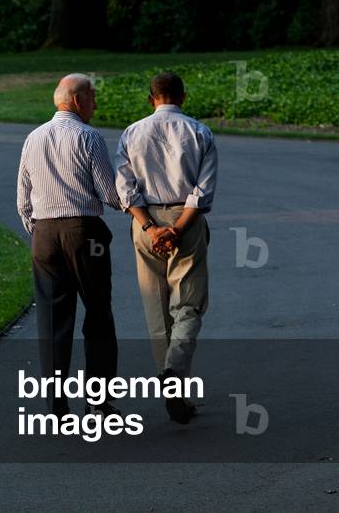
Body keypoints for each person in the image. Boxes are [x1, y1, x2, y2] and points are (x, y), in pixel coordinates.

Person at [114, 72, 217, 424]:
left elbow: (125, 190)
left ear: (150, 99)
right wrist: (175, 229)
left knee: (155, 308)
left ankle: (171, 385)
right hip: (185, 222)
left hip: (145, 224)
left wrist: (151, 227)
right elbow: (201, 193)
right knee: (188, 304)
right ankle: (176, 373)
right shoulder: (200, 133)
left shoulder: (131, 133)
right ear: (183, 97)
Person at [16, 73, 121, 417]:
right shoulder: (89, 137)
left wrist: (39, 231)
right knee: (98, 313)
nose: (96, 104)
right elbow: (109, 194)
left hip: (44, 234)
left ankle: (56, 407)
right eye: (92, 97)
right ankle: (99, 401)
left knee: (51, 319)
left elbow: (23, 200)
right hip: (84, 232)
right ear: (77, 100)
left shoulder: (33, 138)